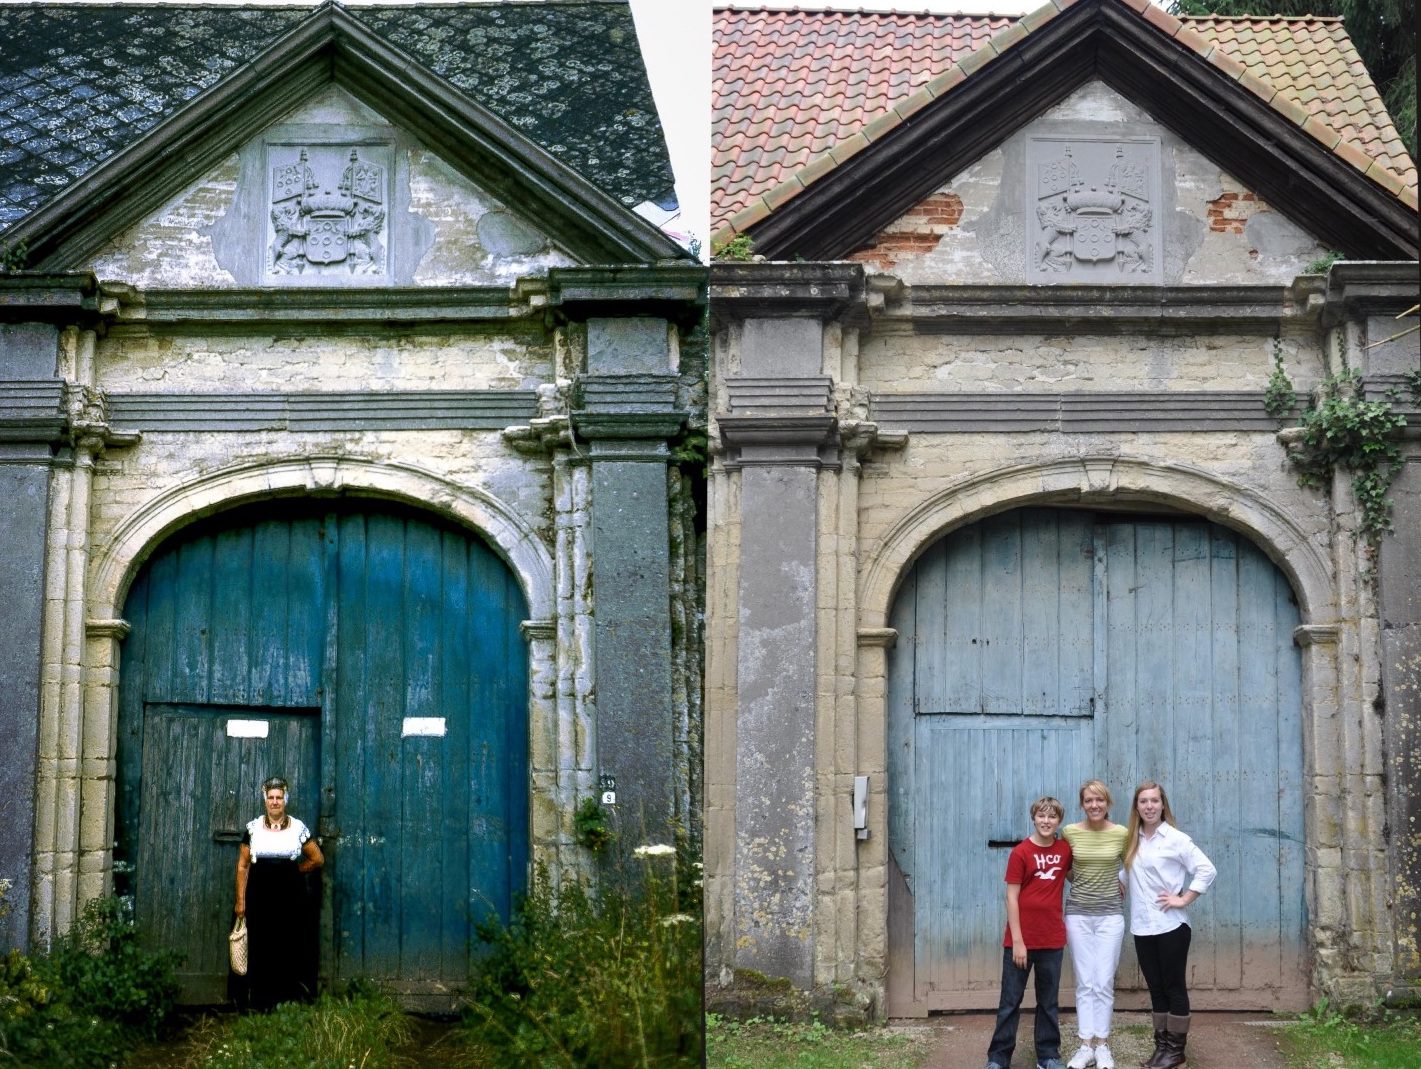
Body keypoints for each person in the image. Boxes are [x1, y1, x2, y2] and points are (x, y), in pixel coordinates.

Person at [1124, 781, 1217, 1069]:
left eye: (1154, 801)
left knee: (1173, 987)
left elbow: (1207, 869)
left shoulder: (1175, 839)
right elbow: (1125, 875)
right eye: (1143, 801)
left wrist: (1184, 899)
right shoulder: (1133, 840)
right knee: (1155, 988)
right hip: (1142, 927)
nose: (1149, 806)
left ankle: (1176, 1052)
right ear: (1137, 807)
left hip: (1171, 927)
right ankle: (1162, 1047)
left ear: (1163, 805)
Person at [985, 796, 1073, 1069]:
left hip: (1052, 939)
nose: (1046, 821)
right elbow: (1011, 898)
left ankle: (1048, 1055)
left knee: (1048, 1002)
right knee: (1010, 1002)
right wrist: (1019, 942)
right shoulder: (1021, 852)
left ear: (1059, 821)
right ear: (1033, 818)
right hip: (1020, 941)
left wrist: (1112, 882)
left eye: (1052, 817)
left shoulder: (1064, 850)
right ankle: (998, 1058)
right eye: (1041, 816)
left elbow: (1076, 876)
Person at [234, 776, 324, 1010]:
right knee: (261, 944)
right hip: (259, 896)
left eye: (279, 798)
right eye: (271, 798)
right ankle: (260, 1003)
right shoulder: (253, 829)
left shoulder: (298, 828)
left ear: (286, 800)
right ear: (265, 800)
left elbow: (317, 858)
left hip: (290, 897)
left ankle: (288, 1002)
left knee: (289, 944)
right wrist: (240, 901)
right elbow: (243, 865)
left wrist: (294, 872)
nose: (275, 802)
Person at [1061, 780, 1130, 1069]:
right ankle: (1085, 1046)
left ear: (1108, 803)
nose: (1094, 805)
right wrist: (1086, 884)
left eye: (1099, 800)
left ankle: (1102, 1045)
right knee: (1085, 981)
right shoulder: (1070, 832)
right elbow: (1065, 868)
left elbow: (1132, 864)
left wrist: (1120, 881)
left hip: (1110, 917)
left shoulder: (1121, 834)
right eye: (1089, 800)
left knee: (1103, 981)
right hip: (1078, 915)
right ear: (1082, 804)